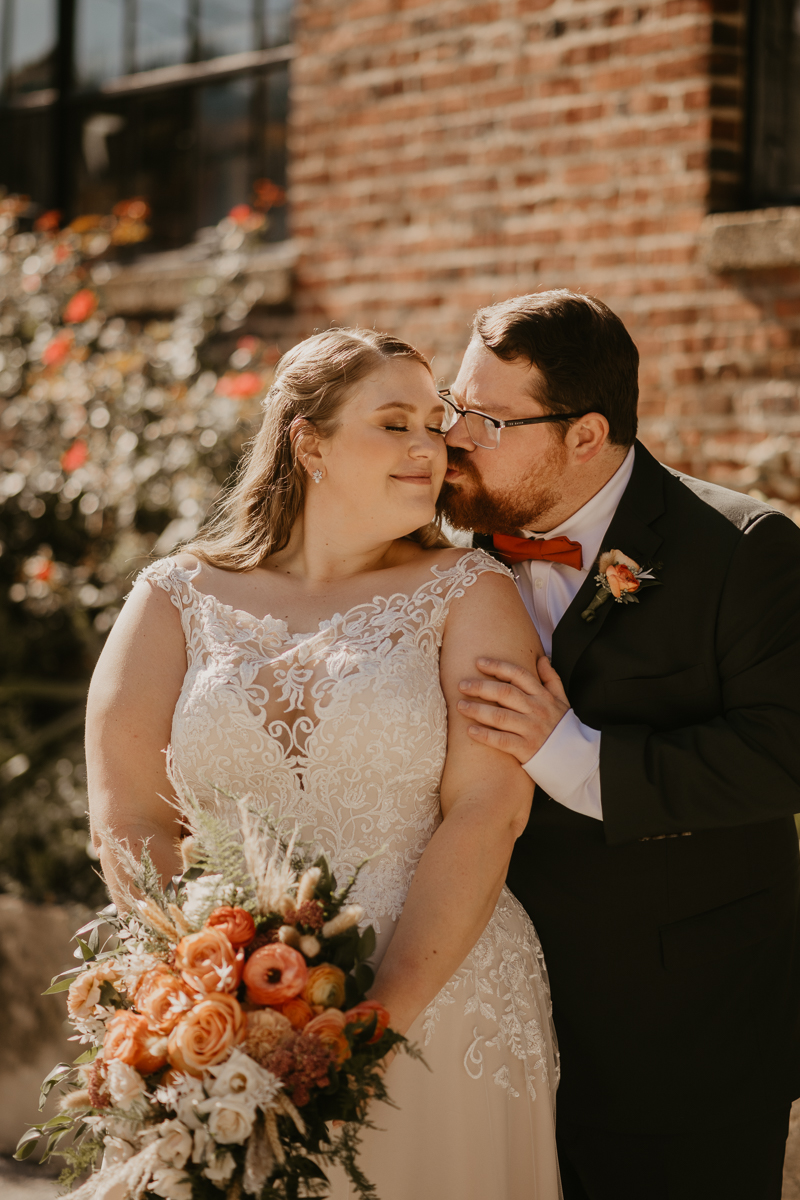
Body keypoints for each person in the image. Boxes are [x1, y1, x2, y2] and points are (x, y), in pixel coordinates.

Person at [86, 328, 562, 1200]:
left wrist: (373, 1023)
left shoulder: (471, 590)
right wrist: (203, 987)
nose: (431, 446)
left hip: (442, 995)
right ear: (309, 442)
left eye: (436, 422)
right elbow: (127, 817)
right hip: (228, 1023)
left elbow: (489, 808)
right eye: (395, 424)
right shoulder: (174, 597)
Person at [437, 289, 800, 1200]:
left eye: (486, 419)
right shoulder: (432, 551)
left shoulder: (743, 551)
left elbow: (784, 753)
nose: (455, 439)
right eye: (455, 408)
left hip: (681, 1034)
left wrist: (572, 753)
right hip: (478, 1022)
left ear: (586, 435)